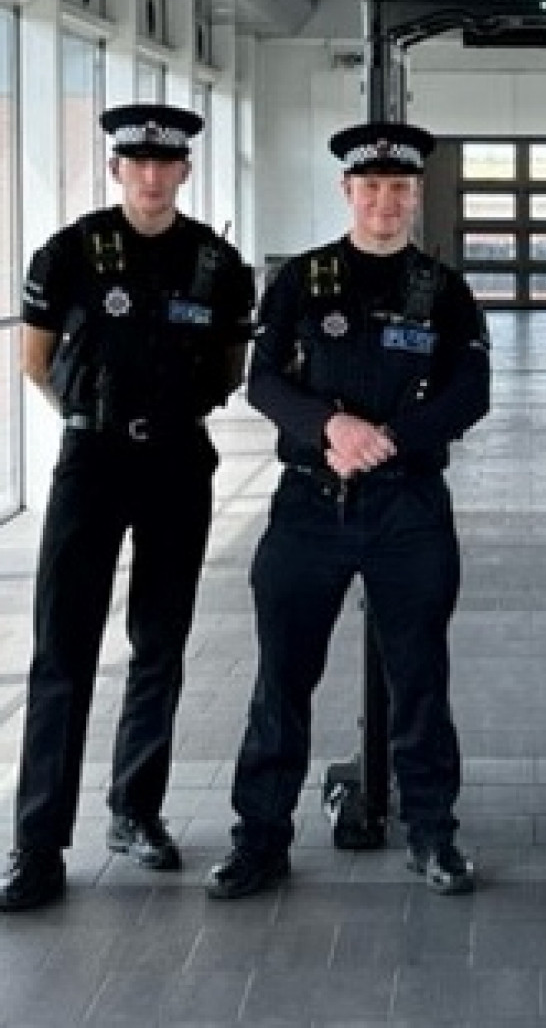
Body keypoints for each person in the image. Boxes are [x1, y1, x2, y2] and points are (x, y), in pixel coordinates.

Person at [206, 120, 490, 900]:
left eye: (399, 189)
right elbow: (263, 381)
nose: (385, 202)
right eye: (371, 188)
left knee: (419, 679)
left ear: (415, 195)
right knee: (281, 680)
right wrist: (330, 426)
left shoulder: (443, 290)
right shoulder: (301, 279)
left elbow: (473, 391)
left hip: (408, 509)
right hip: (310, 506)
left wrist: (390, 439)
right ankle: (259, 841)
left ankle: (433, 835)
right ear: (348, 192)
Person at [0, 103, 256, 912]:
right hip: (92, 462)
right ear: (117, 170)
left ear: (184, 170)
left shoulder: (217, 264)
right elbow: (34, 361)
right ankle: (37, 844)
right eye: (136, 162)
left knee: (159, 641)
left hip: (178, 460)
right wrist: (96, 420)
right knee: (62, 651)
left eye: (166, 162)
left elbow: (228, 365)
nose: (151, 175)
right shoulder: (71, 253)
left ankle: (135, 813)